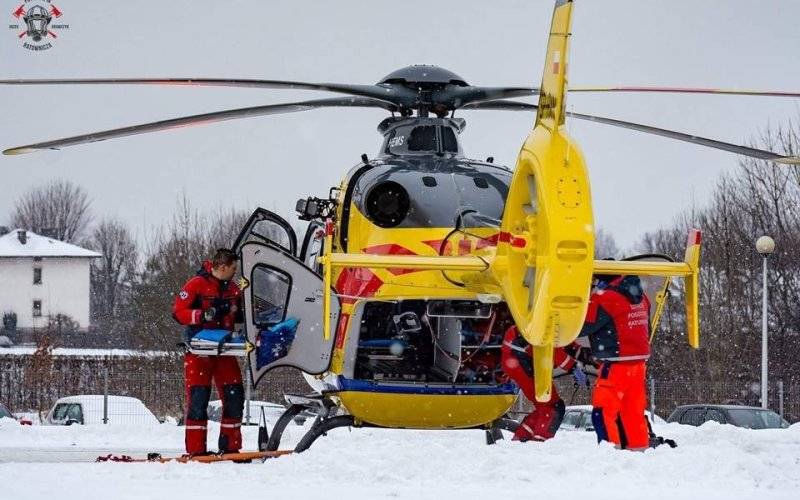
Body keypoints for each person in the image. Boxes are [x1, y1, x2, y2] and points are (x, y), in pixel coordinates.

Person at [173, 248, 244, 456]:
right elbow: (178, 312)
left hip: (225, 351)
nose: (235, 272)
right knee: (198, 399)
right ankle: (196, 450)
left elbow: (240, 313)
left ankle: (230, 446)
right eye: (233, 268)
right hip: (199, 352)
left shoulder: (233, 289)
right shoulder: (196, 284)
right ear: (222, 267)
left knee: (235, 396)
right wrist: (203, 315)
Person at [580, 273, 652, 451]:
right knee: (633, 414)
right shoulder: (641, 297)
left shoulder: (606, 298)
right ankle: (639, 452)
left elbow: (581, 327)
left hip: (616, 364)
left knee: (602, 413)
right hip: (638, 365)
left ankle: (610, 455)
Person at [501, 326, 591, 442]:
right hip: (520, 362)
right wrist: (573, 367)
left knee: (544, 407)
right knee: (553, 407)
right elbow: (549, 347)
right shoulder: (549, 320)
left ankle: (521, 438)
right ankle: (539, 442)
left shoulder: (554, 321)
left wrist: (581, 353)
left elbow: (560, 342)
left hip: (518, 360)